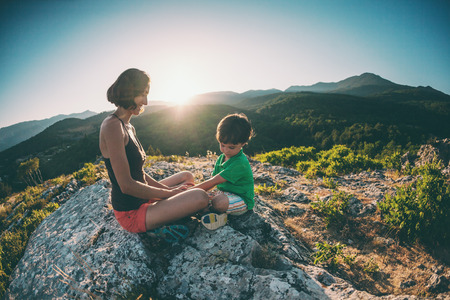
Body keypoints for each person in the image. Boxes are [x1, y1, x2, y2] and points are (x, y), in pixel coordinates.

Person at [99, 68, 209, 237]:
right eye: (142, 95)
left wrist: (167, 191)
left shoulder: (128, 126)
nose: (146, 101)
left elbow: (139, 173)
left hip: (144, 198)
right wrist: (169, 194)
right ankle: (161, 225)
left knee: (186, 177)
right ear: (129, 93)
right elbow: (126, 185)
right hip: (132, 212)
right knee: (200, 197)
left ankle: (170, 212)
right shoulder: (112, 126)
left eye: (146, 95)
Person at [192, 113, 255, 230]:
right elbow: (213, 181)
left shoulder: (240, 162)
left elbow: (214, 181)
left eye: (231, 147)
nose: (226, 150)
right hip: (223, 193)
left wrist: (191, 192)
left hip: (242, 200)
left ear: (243, 144)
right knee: (203, 197)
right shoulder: (222, 158)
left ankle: (219, 217)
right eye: (222, 145)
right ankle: (208, 213)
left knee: (218, 202)